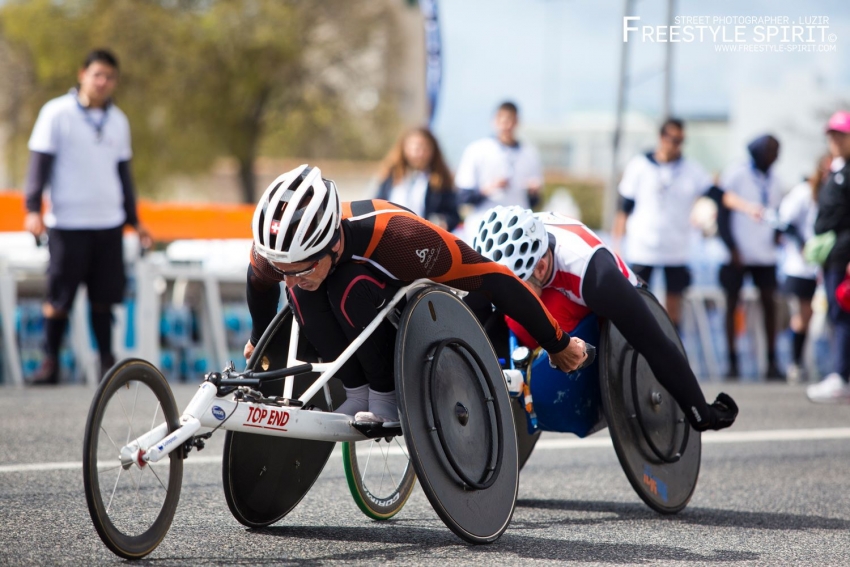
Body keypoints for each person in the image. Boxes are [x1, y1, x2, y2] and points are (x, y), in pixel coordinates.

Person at [243, 164, 586, 423]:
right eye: (283, 270)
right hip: (349, 324)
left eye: (301, 268)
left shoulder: (403, 239)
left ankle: (384, 396)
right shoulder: (281, 253)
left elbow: (495, 278)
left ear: (332, 243)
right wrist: (259, 340)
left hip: (401, 314)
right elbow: (260, 284)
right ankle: (356, 392)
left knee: (347, 282)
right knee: (303, 294)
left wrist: (558, 343)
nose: (289, 278)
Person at [474, 205, 738, 432]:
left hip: (600, 311)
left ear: (541, 267)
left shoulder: (595, 276)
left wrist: (702, 414)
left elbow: (657, 344)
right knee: (486, 304)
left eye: (517, 287)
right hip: (552, 289)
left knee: (520, 316)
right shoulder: (518, 255)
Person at [23, 49, 150, 385]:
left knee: (104, 299)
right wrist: (32, 208)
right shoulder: (57, 113)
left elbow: (124, 174)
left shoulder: (118, 120)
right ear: (82, 74)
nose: (103, 82)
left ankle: (107, 365)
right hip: (67, 222)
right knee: (59, 296)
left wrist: (135, 221)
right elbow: (39, 164)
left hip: (108, 223)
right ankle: (51, 362)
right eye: (97, 75)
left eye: (109, 77)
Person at [612, 118, 760, 331]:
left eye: (681, 140)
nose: (676, 145)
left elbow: (718, 195)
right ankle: (640, 357)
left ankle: (670, 356)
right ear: (661, 138)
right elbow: (623, 208)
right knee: (640, 305)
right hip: (643, 248)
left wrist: (747, 207)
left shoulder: (691, 170)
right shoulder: (639, 165)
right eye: (672, 139)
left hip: (676, 249)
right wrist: (617, 244)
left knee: (673, 308)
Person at [717, 135, 783, 380]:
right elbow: (722, 213)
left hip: (765, 254)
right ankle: (732, 362)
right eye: (770, 150)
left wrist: (777, 236)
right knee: (733, 305)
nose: (774, 156)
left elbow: (777, 214)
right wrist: (731, 246)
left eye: (777, 151)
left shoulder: (777, 180)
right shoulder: (737, 173)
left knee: (770, 304)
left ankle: (772, 361)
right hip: (738, 253)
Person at [807, 111, 850, 403]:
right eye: (831, 134)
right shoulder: (836, 169)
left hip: (844, 252)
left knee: (842, 313)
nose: (833, 140)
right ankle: (840, 374)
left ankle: (840, 376)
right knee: (836, 313)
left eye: (840, 134)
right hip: (833, 253)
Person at [455, 101, 543, 240]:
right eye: (502, 119)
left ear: (517, 122)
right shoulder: (477, 149)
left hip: (518, 227)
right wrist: (488, 188)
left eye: (510, 119)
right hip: (483, 224)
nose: (506, 124)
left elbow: (535, 202)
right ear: (494, 121)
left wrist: (533, 192)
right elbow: (463, 196)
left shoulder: (529, 153)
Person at [778, 155, 829, 383]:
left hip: (824, 264)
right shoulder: (802, 192)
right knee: (802, 316)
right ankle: (796, 363)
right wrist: (802, 246)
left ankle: (818, 364)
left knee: (821, 319)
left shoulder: (835, 193)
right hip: (800, 265)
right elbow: (785, 222)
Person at [375, 127, 460, 232]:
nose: (420, 154)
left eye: (425, 149)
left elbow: (453, 215)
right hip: (391, 236)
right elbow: (376, 206)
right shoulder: (391, 177)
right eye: (416, 149)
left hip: (423, 240)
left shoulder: (439, 180)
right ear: (404, 148)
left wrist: (443, 222)